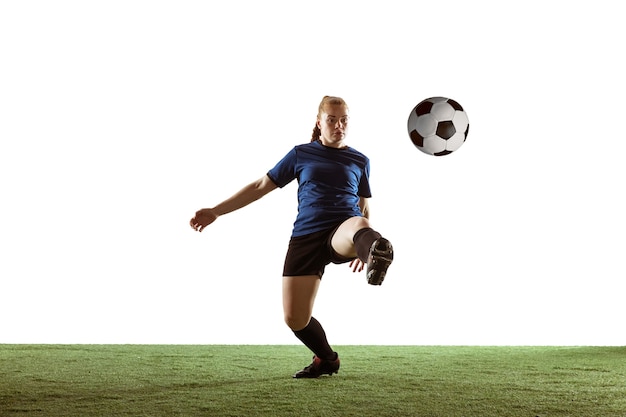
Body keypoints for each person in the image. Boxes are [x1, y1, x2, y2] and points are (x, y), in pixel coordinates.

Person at [190, 96, 393, 378]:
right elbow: (261, 185)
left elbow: (363, 206)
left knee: (358, 222)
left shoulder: (360, 160)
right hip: (306, 235)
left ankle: (374, 250)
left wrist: (364, 248)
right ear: (319, 122)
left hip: (344, 229)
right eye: (332, 119)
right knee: (295, 318)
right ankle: (327, 359)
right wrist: (216, 211)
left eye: (344, 119)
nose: (339, 125)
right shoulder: (301, 154)